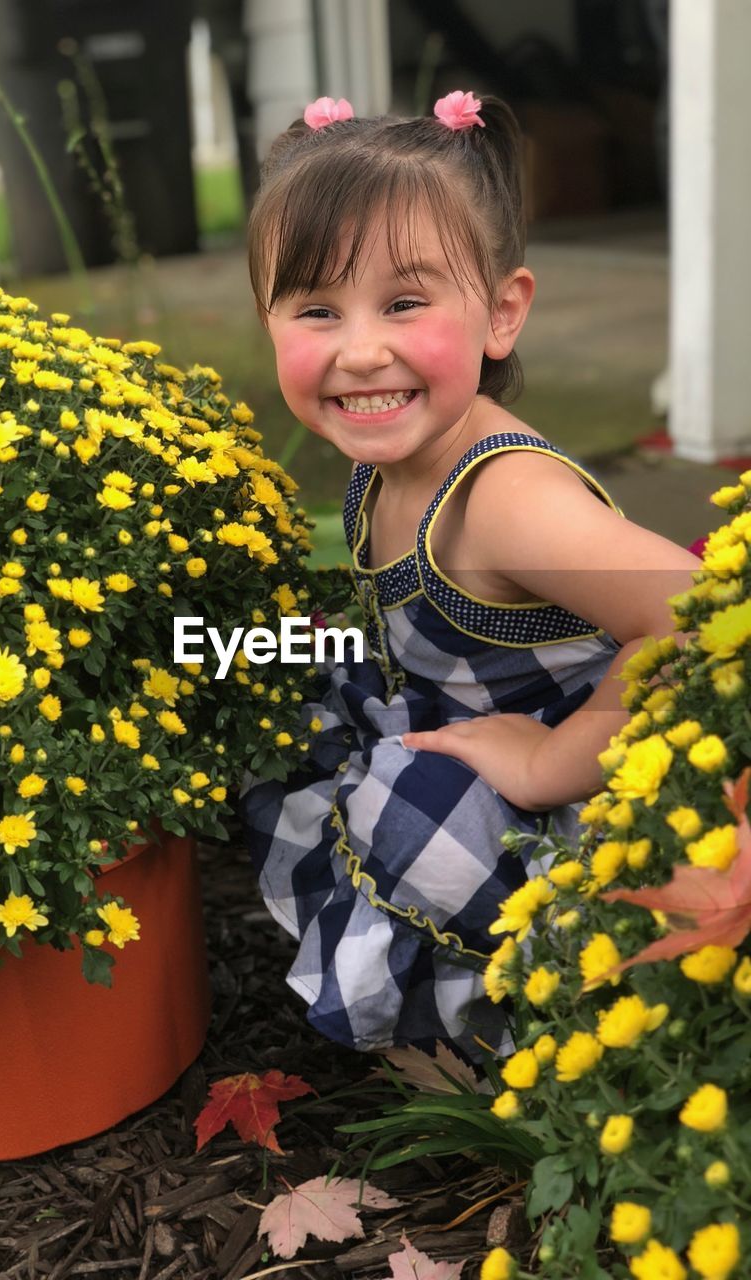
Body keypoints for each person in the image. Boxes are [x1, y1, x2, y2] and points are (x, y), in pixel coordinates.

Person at [238, 91, 697, 1062]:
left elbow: (701, 618)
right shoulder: (390, 451)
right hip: (447, 708)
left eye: (405, 303)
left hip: (586, 790)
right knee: (287, 698)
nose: (361, 349)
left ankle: (513, 1034)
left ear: (499, 312)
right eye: (317, 308)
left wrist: (551, 764)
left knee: (409, 804)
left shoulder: (504, 498)